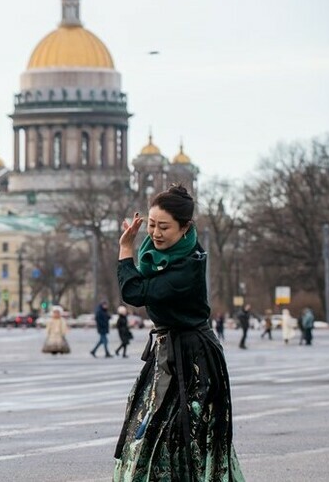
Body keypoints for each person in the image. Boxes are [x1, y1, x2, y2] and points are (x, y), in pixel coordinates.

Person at [114, 184, 244, 481]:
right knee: (151, 430)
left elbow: (134, 293)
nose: (155, 233)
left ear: (185, 228)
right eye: (151, 225)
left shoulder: (188, 267)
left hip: (193, 360)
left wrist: (125, 250)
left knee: (183, 433)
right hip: (167, 354)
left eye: (164, 227)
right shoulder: (156, 253)